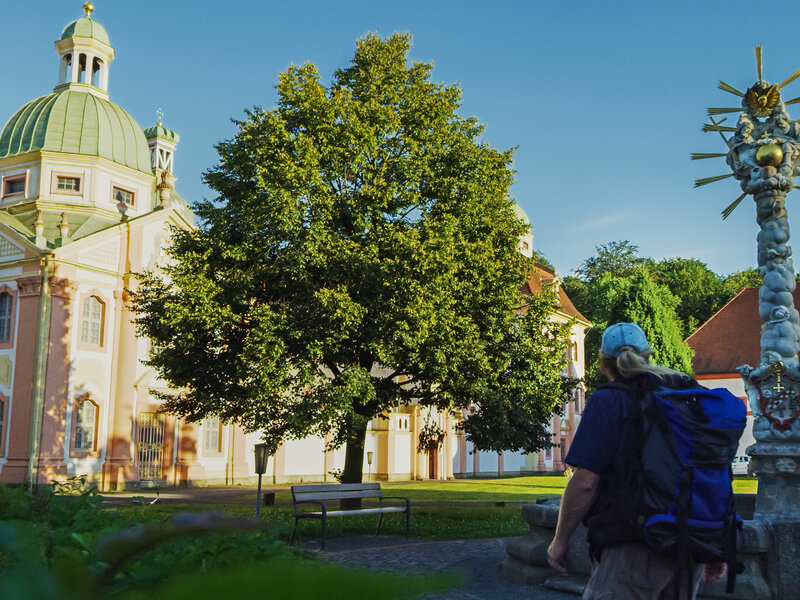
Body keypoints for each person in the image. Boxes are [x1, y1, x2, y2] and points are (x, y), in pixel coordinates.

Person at [546, 322, 727, 600]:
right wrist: (714, 543)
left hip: (632, 545)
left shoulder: (609, 400)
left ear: (603, 363)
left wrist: (560, 541)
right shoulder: (687, 395)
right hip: (689, 544)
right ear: (647, 354)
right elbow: (713, 471)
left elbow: (584, 483)